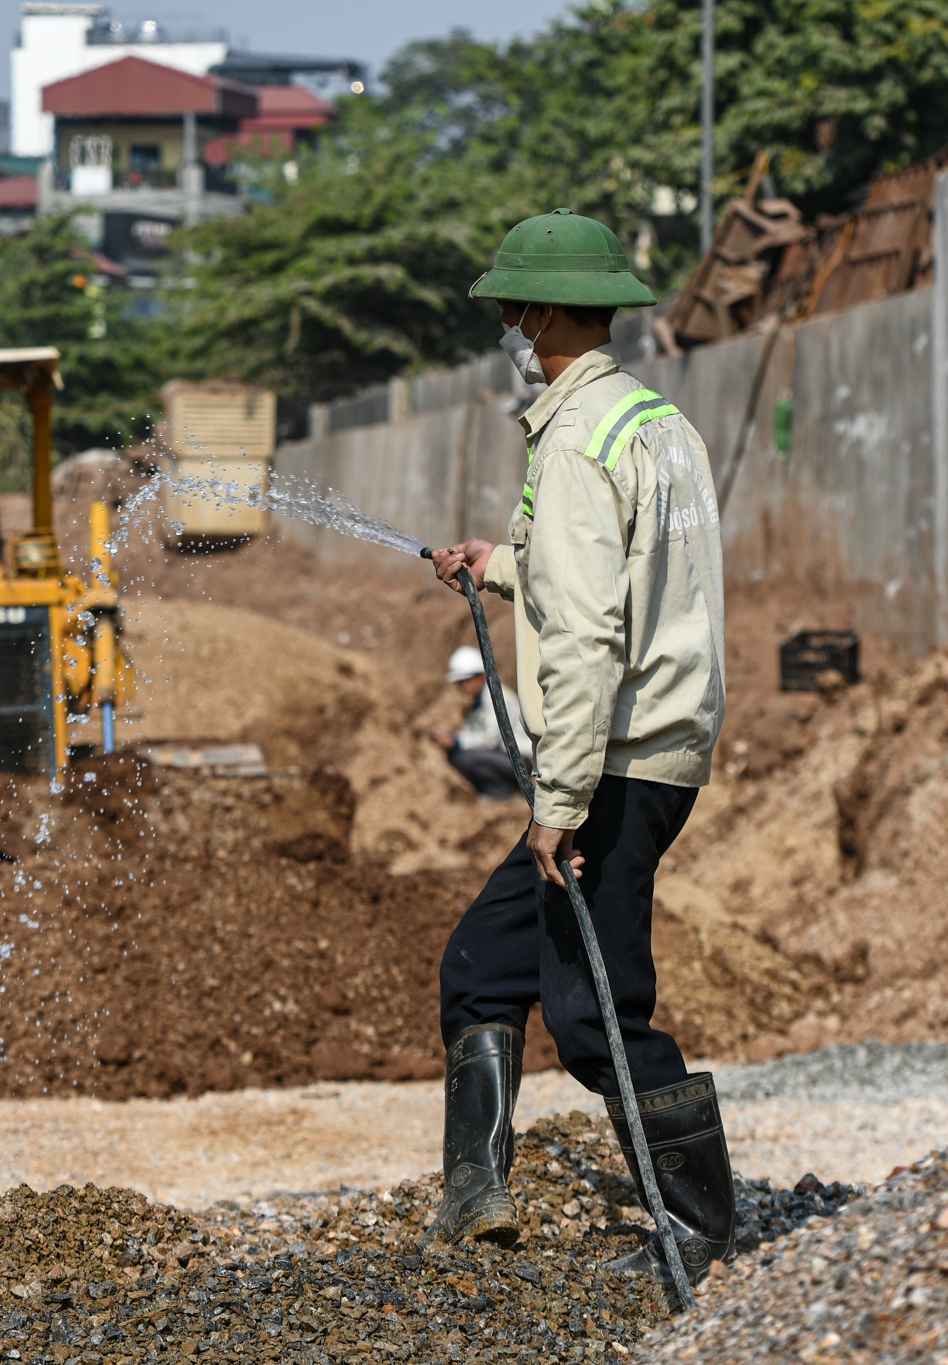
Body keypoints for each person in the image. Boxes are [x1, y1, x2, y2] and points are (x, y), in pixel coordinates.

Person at [425, 209, 732, 1288]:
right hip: (661, 740)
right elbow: (617, 570)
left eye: (512, 307)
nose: (505, 322)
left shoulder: (570, 444)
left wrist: (556, 800)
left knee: (593, 1010)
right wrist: (498, 563)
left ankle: (696, 1229)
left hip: (609, 757)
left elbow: (591, 633)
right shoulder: (651, 423)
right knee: (479, 966)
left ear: (544, 313)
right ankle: (475, 1196)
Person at [429, 645, 533, 800]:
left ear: (480, 676)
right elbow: (475, 733)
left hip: (520, 762)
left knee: (463, 757)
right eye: (460, 682)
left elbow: (490, 740)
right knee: (458, 755)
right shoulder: (480, 700)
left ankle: (503, 792)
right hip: (505, 758)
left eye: (466, 680)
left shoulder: (496, 697)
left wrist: (455, 741)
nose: (463, 686)